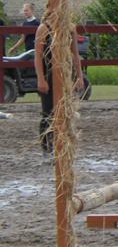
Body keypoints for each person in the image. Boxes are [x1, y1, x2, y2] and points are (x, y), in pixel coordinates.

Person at [34, 17, 85, 156]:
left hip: (65, 75)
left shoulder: (70, 28)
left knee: (66, 111)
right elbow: (38, 56)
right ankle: (47, 148)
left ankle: (64, 146)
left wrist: (79, 76)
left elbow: (75, 54)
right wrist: (41, 79)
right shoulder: (44, 28)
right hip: (49, 74)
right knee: (48, 112)